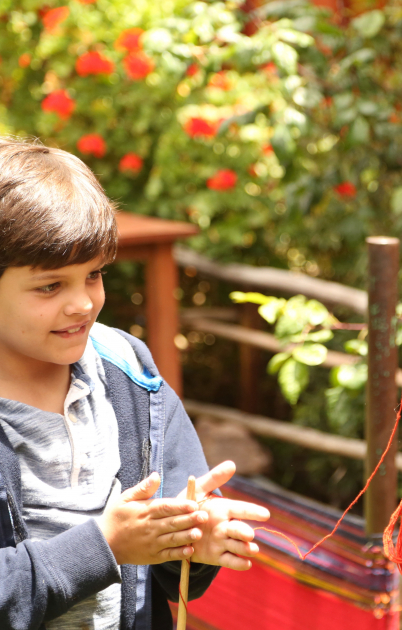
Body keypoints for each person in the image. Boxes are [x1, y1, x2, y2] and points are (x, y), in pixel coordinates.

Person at [0, 138, 270, 629]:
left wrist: (193, 537)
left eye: (94, 275)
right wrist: (103, 546)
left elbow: (168, 562)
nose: (83, 303)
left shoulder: (128, 369)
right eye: (51, 285)